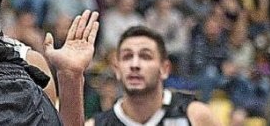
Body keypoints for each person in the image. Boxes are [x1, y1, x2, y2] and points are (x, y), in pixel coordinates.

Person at [86, 26, 222, 126]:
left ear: (164, 69)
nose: (135, 64)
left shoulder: (196, 116)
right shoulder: (97, 124)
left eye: (145, 56)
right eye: (127, 56)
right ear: (117, 69)